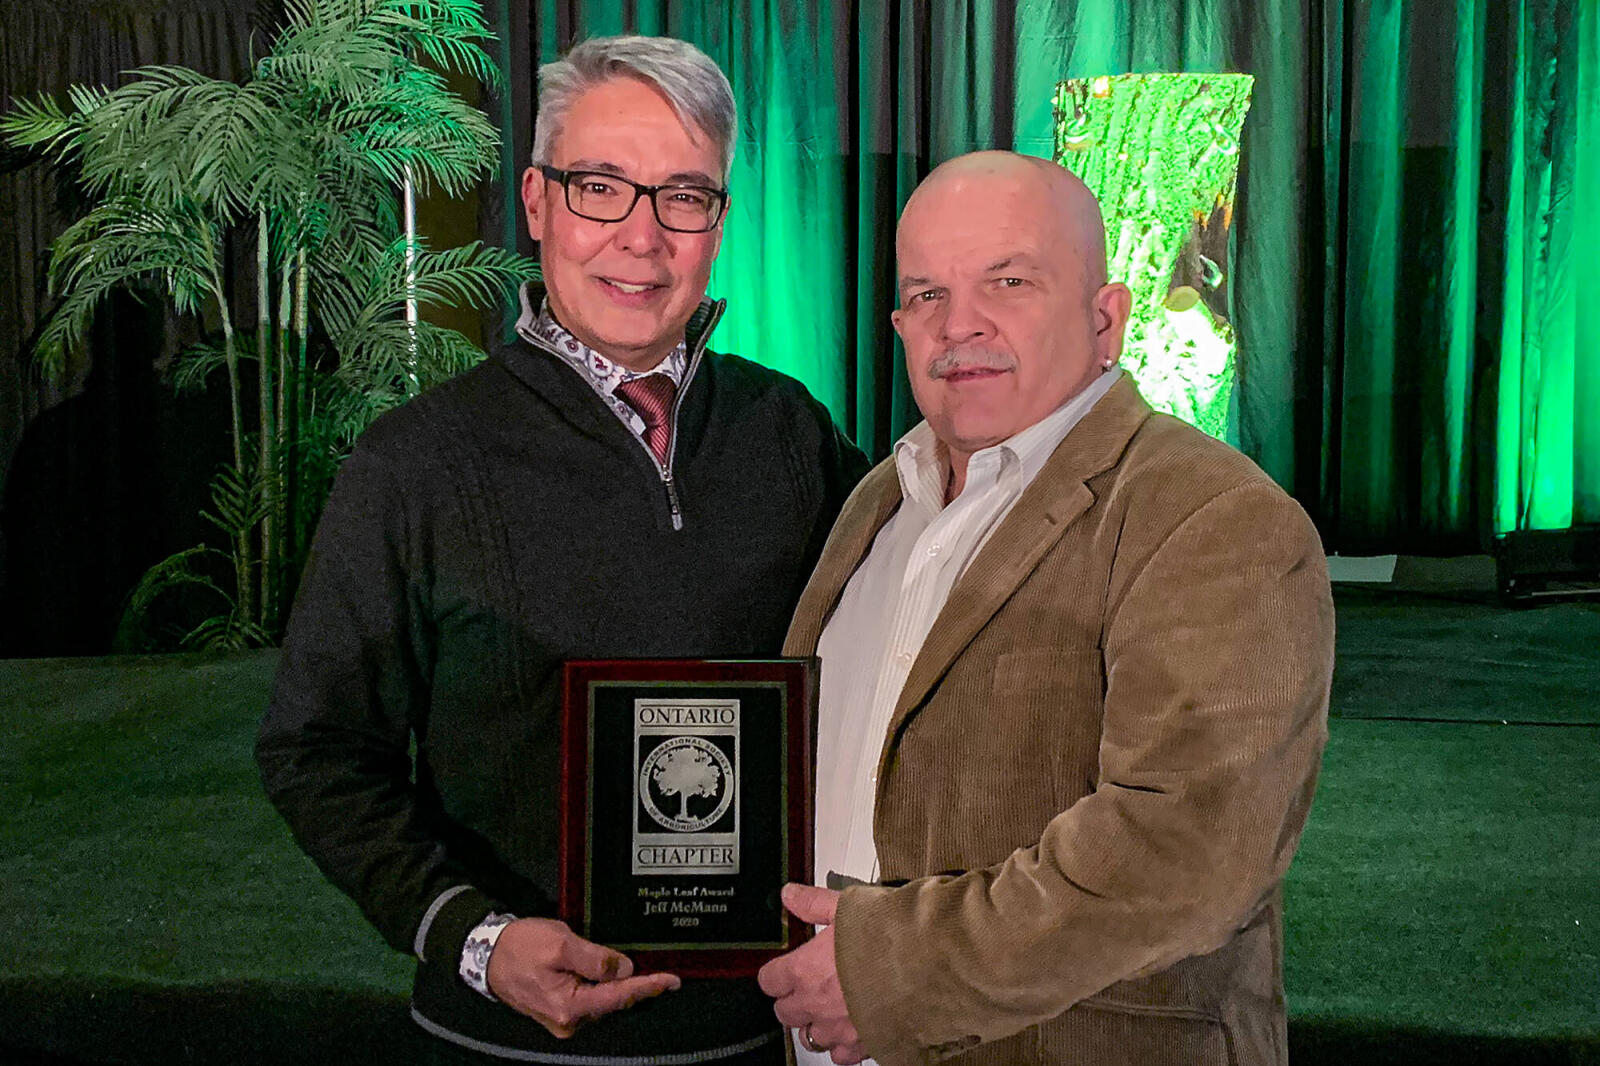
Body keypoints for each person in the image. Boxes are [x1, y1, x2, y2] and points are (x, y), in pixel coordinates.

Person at [257, 34, 868, 1065]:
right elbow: (314, 750)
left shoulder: (788, 430)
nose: (642, 237)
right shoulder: (414, 463)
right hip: (504, 1043)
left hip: (758, 1038)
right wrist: (472, 937)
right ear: (537, 203)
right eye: (602, 188)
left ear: (719, 219)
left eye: (684, 195)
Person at [757, 151, 1334, 1066]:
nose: (962, 326)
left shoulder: (1215, 518)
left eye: (1009, 281)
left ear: (1106, 318)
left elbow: (1183, 857)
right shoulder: (879, 498)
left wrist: (889, 970)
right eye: (928, 295)